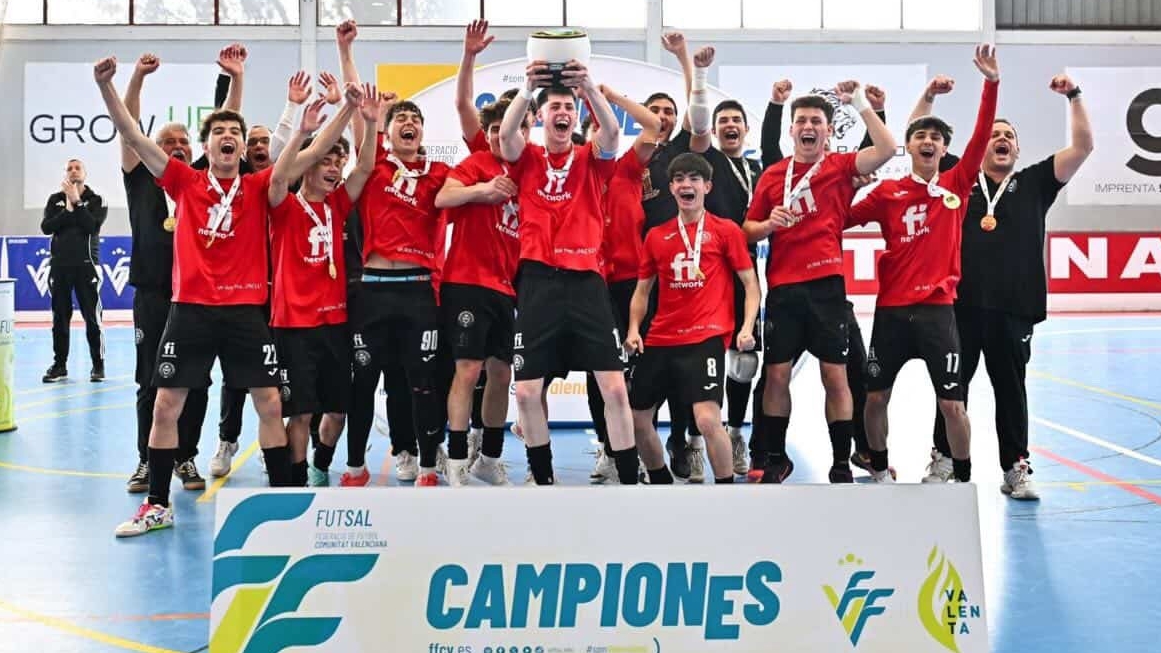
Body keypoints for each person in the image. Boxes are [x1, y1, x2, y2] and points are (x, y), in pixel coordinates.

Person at [95, 55, 293, 538]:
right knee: (164, 402)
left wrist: (297, 113)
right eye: (216, 134)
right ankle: (157, 502)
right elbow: (131, 133)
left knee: (269, 402)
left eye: (234, 134)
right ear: (205, 146)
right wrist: (107, 86)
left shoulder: (248, 184)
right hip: (183, 308)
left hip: (243, 311)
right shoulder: (179, 181)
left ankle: (286, 505)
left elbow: (262, 141)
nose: (226, 138)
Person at [925, 71, 1093, 498]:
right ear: (982, 145)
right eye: (994, 134)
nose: (1002, 139)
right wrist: (929, 96)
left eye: (1009, 137)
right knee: (952, 390)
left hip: (1014, 307)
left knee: (1011, 391)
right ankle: (944, 458)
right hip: (959, 306)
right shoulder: (959, 177)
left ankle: (1016, 467)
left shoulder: (1035, 182)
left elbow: (1082, 148)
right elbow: (920, 142)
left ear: (1016, 150)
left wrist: (1074, 95)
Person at [847, 44, 1001, 483]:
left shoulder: (957, 183)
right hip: (892, 312)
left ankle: (963, 477)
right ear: (909, 146)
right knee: (875, 399)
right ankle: (879, 470)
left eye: (936, 137)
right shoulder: (887, 192)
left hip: (937, 312)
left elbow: (981, 134)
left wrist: (991, 83)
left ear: (944, 148)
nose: (928, 141)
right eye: (921, 136)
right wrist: (845, 186)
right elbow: (839, 219)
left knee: (952, 403)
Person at [743, 80, 896, 484]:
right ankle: (776, 458)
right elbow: (746, 230)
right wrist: (767, 224)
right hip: (783, 289)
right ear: (791, 129)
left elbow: (885, 149)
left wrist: (859, 102)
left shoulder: (840, 168)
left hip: (827, 287)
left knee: (836, 375)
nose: (808, 126)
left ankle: (841, 462)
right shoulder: (773, 175)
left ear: (828, 131)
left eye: (816, 121)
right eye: (801, 121)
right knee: (776, 376)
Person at [499, 60, 639, 485]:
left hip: (586, 282)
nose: (562, 113)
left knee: (614, 388)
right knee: (527, 392)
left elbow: (612, 133)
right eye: (554, 107)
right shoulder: (527, 158)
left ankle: (629, 482)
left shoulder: (590, 158)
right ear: (541, 116)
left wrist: (588, 87)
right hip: (538, 281)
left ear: (576, 118)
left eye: (568, 108)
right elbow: (505, 136)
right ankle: (543, 480)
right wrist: (527, 88)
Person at [625, 152, 760, 485]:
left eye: (694, 179)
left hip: (705, 337)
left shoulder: (726, 231)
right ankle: (661, 481)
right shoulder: (656, 236)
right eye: (679, 179)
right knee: (637, 419)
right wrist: (633, 329)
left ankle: (725, 490)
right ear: (671, 188)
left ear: (707, 187)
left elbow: (750, 285)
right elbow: (642, 292)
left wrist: (746, 328)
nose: (686, 185)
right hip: (661, 338)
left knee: (707, 419)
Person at [268, 83, 378, 486]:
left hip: (335, 325)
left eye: (338, 161)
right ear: (309, 164)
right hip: (294, 326)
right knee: (300, 412)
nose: (334, 168)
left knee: (337, 409)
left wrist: (367, 121)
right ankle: (297, 483)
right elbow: (281, 173)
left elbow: (364, 169)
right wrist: (325, 121)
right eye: (326, 160)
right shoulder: (281, 204)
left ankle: (320, 464)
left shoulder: (337, 204)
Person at [119, 52, 211, 493]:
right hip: (154, 294)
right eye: (168, 142)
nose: (177, 147)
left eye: (184, 142)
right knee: (149, 381)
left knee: (196, 380)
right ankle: (145, 459)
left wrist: (235, 78)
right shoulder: (140, 177)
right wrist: (138, 76)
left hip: (195, 296)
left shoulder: (200, 182)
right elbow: (128, 127)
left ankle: (186, 457)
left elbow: (224, 125)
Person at [433, 96, 528, 487]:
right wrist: (482, 190)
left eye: (510, 129)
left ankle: (489, 457)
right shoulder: (477, 164)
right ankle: (457, 458)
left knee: (502, 374)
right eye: (493, 130)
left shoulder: (531, 170)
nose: (500, 136)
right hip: (467, 282)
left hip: (507, 289)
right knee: (468, 370)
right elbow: (443, 197)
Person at [40, 159, 107, 384]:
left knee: (92, 318)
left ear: (85, 173)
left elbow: (91, 226)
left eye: (78, 167)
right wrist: (68, 209)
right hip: (59, 267)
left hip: (87, 266)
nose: (73, 171)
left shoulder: (96, 200)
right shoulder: (55, 200)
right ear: (65, 174)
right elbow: (46, 227)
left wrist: (77, 203)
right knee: (60, 318)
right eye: (69, 168)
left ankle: (98, 365)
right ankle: (60, 365)